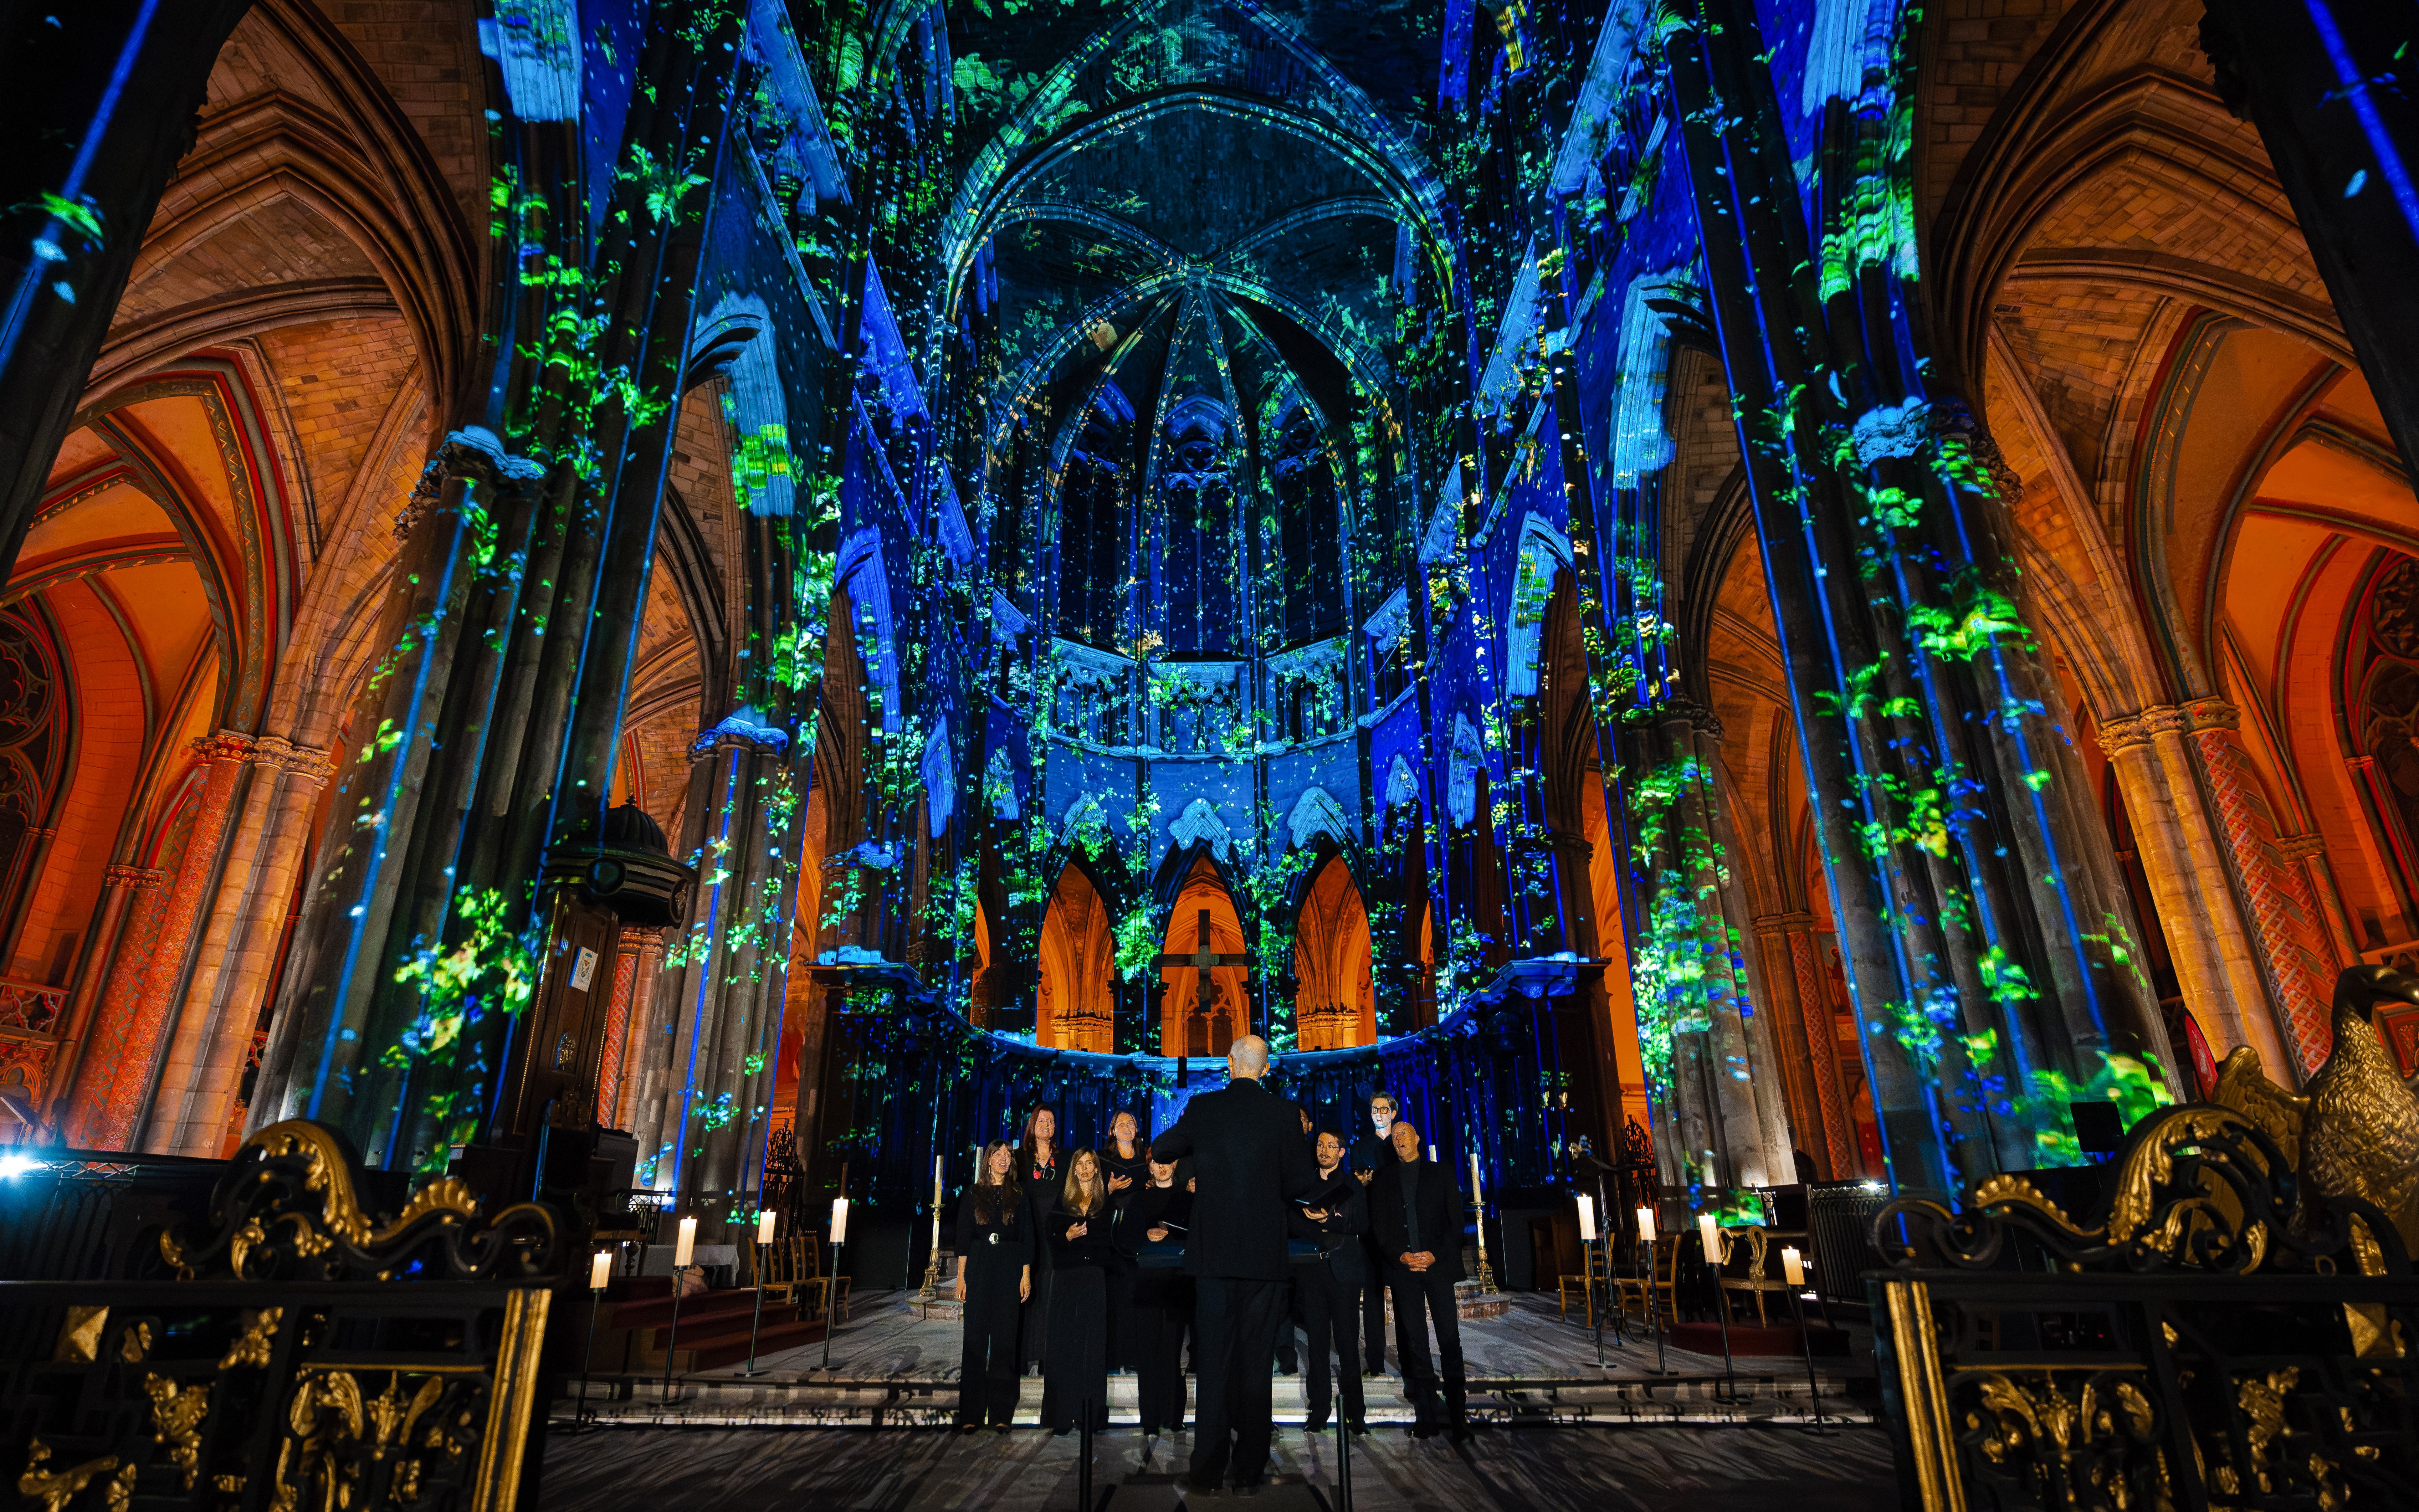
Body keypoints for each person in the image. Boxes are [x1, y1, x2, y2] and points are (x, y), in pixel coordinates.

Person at [1147, 1035, 1322, 1496]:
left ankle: (1207, 1469)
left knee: (1214, 1364)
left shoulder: (1203, 1109)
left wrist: (1198, 1158)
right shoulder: (1284, 1114)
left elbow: (1162, 1148)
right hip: (1264, 1258)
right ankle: (1249, 1468)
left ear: (1229, 1063)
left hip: (1214, 1257)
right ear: (1265, 1070)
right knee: (1256, 1364)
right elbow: (1302, 1183)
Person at [1369, 1119, 1469, 1440]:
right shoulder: (1384, 1179)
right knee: (1415, 1343)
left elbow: (1456, 1223)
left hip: (1436, 1268)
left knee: (1449, 1339)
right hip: (1404, 1270)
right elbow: (1378, 1226)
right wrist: (1400, 1254)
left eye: (1404, 1134)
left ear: (1417, 1138)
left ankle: (1457, 1415)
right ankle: (1426, 1414)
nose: (1399, 1140)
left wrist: (1434, 1254)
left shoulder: (1441, 1173)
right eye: (1394, 1136)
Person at [1288, 1129, 1369, 1433]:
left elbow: (1362, 1222)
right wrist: (1318, 1230)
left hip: (1344, 1272)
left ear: (1342, 1152)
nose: (1324, 1150)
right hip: (1311, 1271)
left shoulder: (1352, 1185)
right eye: (1320, 1145)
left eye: (1331, 1146)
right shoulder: (1303, 1183)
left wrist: (1328, 1221)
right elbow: (1292, 1220)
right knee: (1317, 1346)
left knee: (1348, 1344)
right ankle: (1319, 1410)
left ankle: (1356, 1414)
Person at [953, 1140, 1032, 1431]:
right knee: (974, 1342)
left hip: (1009, 1269)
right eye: (998, 1154)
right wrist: (962, 1278)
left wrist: (1025, 1275)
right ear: (988, 1160)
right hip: (979, 1266)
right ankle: (971, 1415)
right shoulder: (973, 1193)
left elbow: (1026, 1237)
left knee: (1004, 1343)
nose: (1003, 1158)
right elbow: (963, 1238)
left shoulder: (1019, 1195)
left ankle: (1001, 1413)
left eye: (1008, 1155)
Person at [1114, 1152, 1194, 1439]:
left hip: (1176, 1285)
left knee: (1173, 1355)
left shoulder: (1187, 1198)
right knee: (1147, 1354)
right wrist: (1145, 1235)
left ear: (1175, 1164)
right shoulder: (1139, 1200)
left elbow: (1195, 1236)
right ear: (1149, 1166)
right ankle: (1149, 1418)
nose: (1161, 1168)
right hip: (1146, 1285)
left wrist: (1170, 1235)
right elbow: (1124, 1240)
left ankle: (1174, 1417)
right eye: (1156, 1163)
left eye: (1167, 1162)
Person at [1044, 1148, 1116, 1435]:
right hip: (1065, 1279)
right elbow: (1050, 1240)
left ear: (1097, 1170)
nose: (1085, 1168)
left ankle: (1090, 1416)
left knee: (1092, 1347)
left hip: (1094, 1279)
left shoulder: (1105, 1204)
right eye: (1080, 1164)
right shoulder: (1062, 1201)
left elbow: (1111, 1244)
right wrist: (1066, 1236)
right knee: (1065, 1345)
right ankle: (1062, 1415)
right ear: (1073, 1170)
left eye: (1090, 1164)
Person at [1350, 1091, 1405, 1375]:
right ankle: (1375, 1362)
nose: (1380, 1113)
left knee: (1404, 1296)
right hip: (1371, 1230)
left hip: (1398, 1231)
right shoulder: (1360, 1147)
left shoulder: (1402, 1144)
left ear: (1393, 1113)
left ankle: (1408, 1360)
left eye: (1385, 1109)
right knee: (1372, 1298)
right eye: (1375, 1109)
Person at [1100, 1109, 1148, 1374]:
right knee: (1113, 1297)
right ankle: (1110, 1358)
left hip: (1137, 1238)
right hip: (1111, 1237)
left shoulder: (1145, 1161)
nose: (1127, 1126)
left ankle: (1132, 1356)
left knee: (1134, 1297)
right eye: (1122, 1123)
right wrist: (1110, 1189)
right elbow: (1092, 1197)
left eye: (1131, 1122)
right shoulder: (1103, 1160)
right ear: (1112, 1131)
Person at [1018, 1104, 1063, 1373]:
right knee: (1025, 1295)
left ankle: (1048, 1356)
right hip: (1026, 1235)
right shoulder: (1019, 1158)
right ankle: (1022, 1357)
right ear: (1032, 1125)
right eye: (1042, 1120)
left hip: (1054, 1240)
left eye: (1051, 1120)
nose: (1047, 1124)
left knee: (1050, 1295)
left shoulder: (1064, 1159)